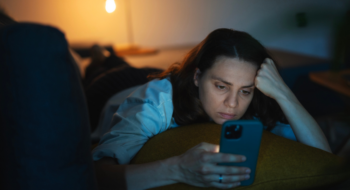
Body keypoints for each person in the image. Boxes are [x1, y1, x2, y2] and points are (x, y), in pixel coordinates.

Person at [92, 28, 332, 190]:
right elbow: (98, 176)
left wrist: (284, 93)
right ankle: (99, 56)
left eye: (245, 90)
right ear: (198, 77)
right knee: (102, 68)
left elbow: (325, 163)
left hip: (174, 77)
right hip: (114, 88)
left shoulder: (255, 101)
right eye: (221, 86)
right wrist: (178, 169)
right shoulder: (154, 103)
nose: (233, 103)